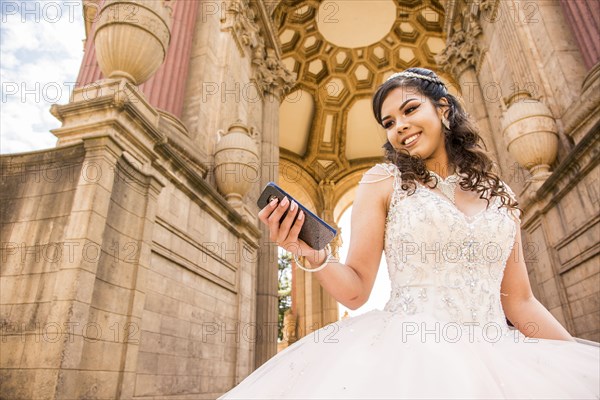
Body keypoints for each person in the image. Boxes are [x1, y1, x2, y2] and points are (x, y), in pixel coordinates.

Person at [219, 68, 600, 399]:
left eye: (410, 109)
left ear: (444, 109)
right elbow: (355, 291)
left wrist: (577, 364)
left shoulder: (500, 194)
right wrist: (312, 255)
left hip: (499, 354)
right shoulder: (383, 183)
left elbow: (520, 301)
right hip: (409, 352)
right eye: (388, 122)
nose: (399, 125)